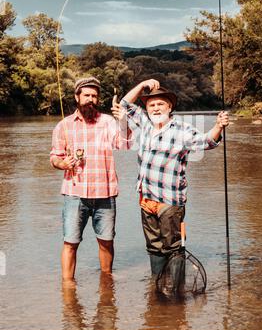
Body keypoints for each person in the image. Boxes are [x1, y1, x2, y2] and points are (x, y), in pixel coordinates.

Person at [111, 79, 229, 275]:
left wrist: (218, 126)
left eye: (160, 104)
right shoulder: (146, 124)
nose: (156, 108)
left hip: (170, 202)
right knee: (154, 248)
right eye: (151, 105)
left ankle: (175, 295)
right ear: (147, 109)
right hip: (146, 200)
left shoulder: (182, 130)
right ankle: (158, 288)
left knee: (173, 248)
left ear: (169, 106)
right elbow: (124, 105)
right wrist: (142, 85)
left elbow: (206, 142)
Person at [50, 76, 129, 280]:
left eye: (94, 96)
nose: (90, 99)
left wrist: (123, 120)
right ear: (77, 97)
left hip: (105, 193)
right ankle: (68, 286)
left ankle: (106, 282)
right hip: (74, 194)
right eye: (86, 95)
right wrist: (62, 163)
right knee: (70, 242)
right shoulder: (64, 125)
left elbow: (124, 144)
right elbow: (55, 157)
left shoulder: (108, 122)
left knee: (106, 241)